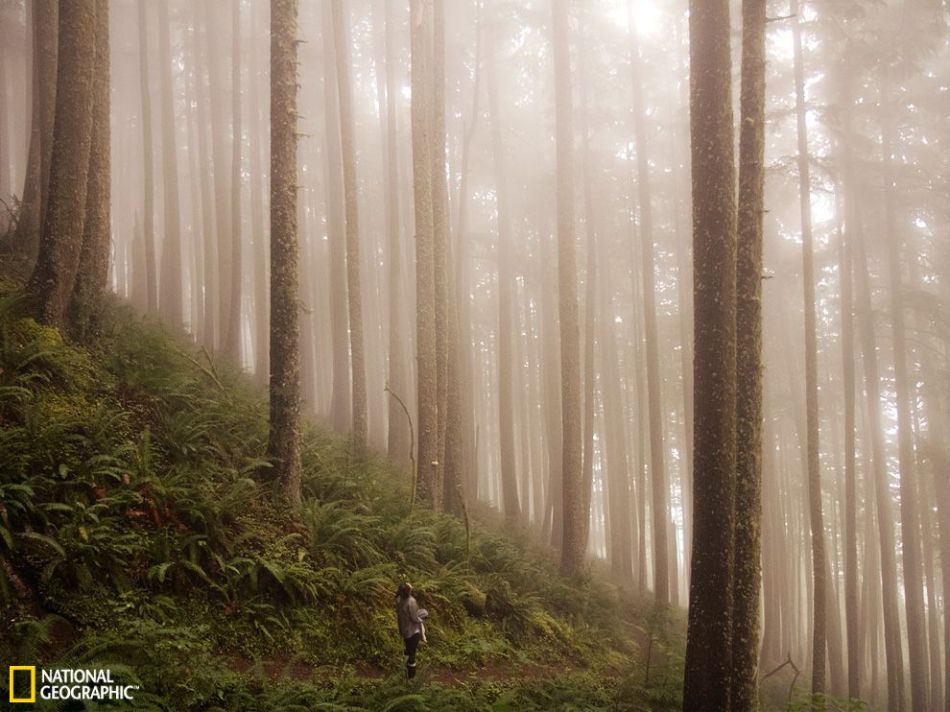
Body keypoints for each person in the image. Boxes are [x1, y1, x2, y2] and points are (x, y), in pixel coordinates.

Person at [395, 582, 428, 680]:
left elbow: (400, 616)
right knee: (412, 653)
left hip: (404, 629)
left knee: (407, 651)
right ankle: (411, 677)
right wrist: (421, 619)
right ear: (408, 591)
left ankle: (404, 672)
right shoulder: (411, 602)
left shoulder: (398, 600)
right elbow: (414, 618)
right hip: (413, 631)